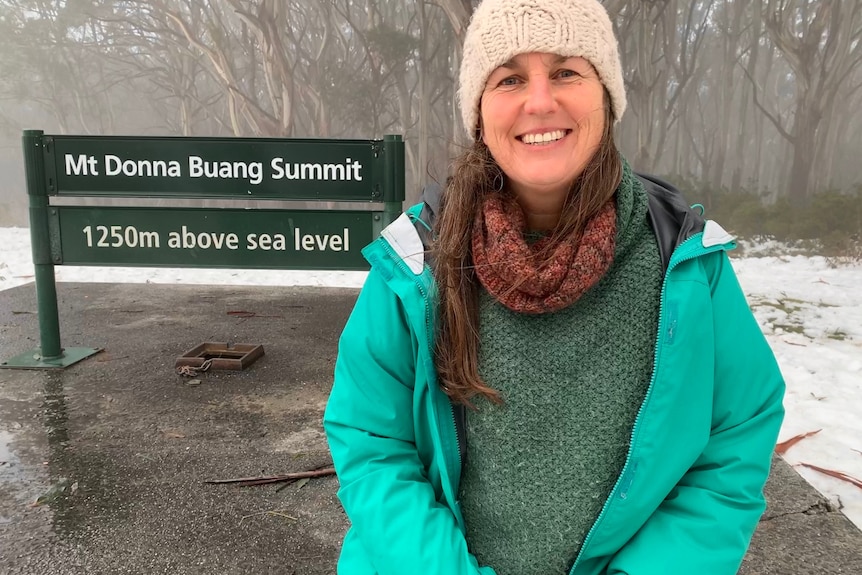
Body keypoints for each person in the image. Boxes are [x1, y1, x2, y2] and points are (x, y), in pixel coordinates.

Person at [323, 0, 785, 573]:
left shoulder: (683, 262)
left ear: (607, 96)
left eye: (567, 71)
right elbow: (372, 444)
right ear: (480, 112)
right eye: (510, 78)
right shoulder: (418, 260)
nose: (540, 101)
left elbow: (733, 441)